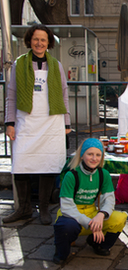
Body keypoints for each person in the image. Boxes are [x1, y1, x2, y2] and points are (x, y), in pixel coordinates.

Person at [4, 24, 71, 225]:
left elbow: (64, 94)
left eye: (43, 39)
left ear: (48, 42)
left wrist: (67, 123)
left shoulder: (55, 65)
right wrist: (9, 123)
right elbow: (12, 94)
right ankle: (24, 209)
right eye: (36, 39)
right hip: (26, 122)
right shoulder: (19, 64)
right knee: (21, 164)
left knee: (48, 165)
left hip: (51, 121)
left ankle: (43, 208)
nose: (39, 43)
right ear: (29, 41)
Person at [53, 138, 127, 265]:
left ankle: (97, 243)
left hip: (92, 213)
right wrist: (90, 223)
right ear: (82, 156)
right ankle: (61, 251)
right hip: (71, 216)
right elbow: (67, 207)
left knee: (120, 218)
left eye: (98, 155)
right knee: (66, 227)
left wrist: (101, 214)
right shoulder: (71, 175)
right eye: (90, 154)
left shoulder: (103, 174)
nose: (94, 158)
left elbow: (109, 200)